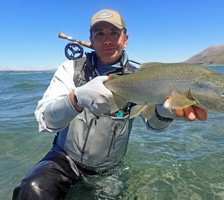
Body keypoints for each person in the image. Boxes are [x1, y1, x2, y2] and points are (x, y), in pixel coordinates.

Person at [12, 9, 207, 200]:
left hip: (109, 170)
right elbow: (46, 120)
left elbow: (153, 125)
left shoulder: (142, 77)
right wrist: (76, 99)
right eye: (100, 34)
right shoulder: (70, 69)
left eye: (114, 33)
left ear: (125, 38)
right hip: (65, 160)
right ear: (92, 38)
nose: (107, 40)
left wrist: (165, 113)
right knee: (31, 190)